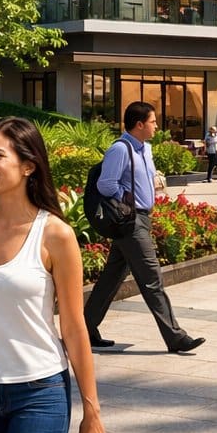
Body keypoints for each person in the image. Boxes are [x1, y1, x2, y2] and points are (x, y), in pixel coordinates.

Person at [0, 118, 105, 433]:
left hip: (38, 393)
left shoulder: (55, 234)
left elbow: (75, 326)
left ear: (28, 166)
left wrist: (91, 409)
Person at [83, 101, 205, 354]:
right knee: (152, 279)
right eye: (152, 121)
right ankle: (175, 337)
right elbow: (106, 185)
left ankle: (84, 329)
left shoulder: (145, 149)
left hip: (141, 218)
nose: (156, 126)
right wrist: (126, 200)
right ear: (139, 124)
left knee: (111, 277)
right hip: (130, 221)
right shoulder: (119, 149)